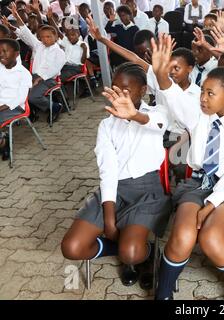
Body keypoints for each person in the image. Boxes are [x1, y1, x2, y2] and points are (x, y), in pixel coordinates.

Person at [152, 34, 224, 300]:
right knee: (183, 236)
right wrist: (160, 74)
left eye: (210, 93)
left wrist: (211, 205)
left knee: (211, 239)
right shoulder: (199, 114)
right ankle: (163, 294)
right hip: (197, 183)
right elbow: (174, 97)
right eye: (202, 91)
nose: (202, 98)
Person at [61, 62, 172, 289]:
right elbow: (108, 171)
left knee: (131, 253)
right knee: (72, 248)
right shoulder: (106, 126)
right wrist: (109, 219)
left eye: (126, 89)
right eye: (114, 88)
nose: (118, 94)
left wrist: (134, 115)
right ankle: (123, 247)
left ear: (143, 91)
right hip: (114, 190)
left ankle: (147, 254)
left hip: (147, 191)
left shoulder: (156, 112)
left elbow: (158, 124)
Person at [10, 2, 66, 124]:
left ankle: (54, 107)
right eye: (43, 37)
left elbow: (54, 70)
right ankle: (32, 112)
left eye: (48, 37)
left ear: (56, 37)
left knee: (33, 96)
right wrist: (17, 17)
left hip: (49, 79)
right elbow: (26, 33)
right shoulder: (38, 46)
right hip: (34, 77)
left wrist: (40, 78)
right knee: (18, 91)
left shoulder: (59, 52)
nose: (45, 39)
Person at [0, 38, 32, 161]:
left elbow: (20, 98)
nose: (1, 54)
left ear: (17, 54)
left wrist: (2, 107)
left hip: (15, 107)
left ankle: (3, 142)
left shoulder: (23, 74)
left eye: (5, 51)